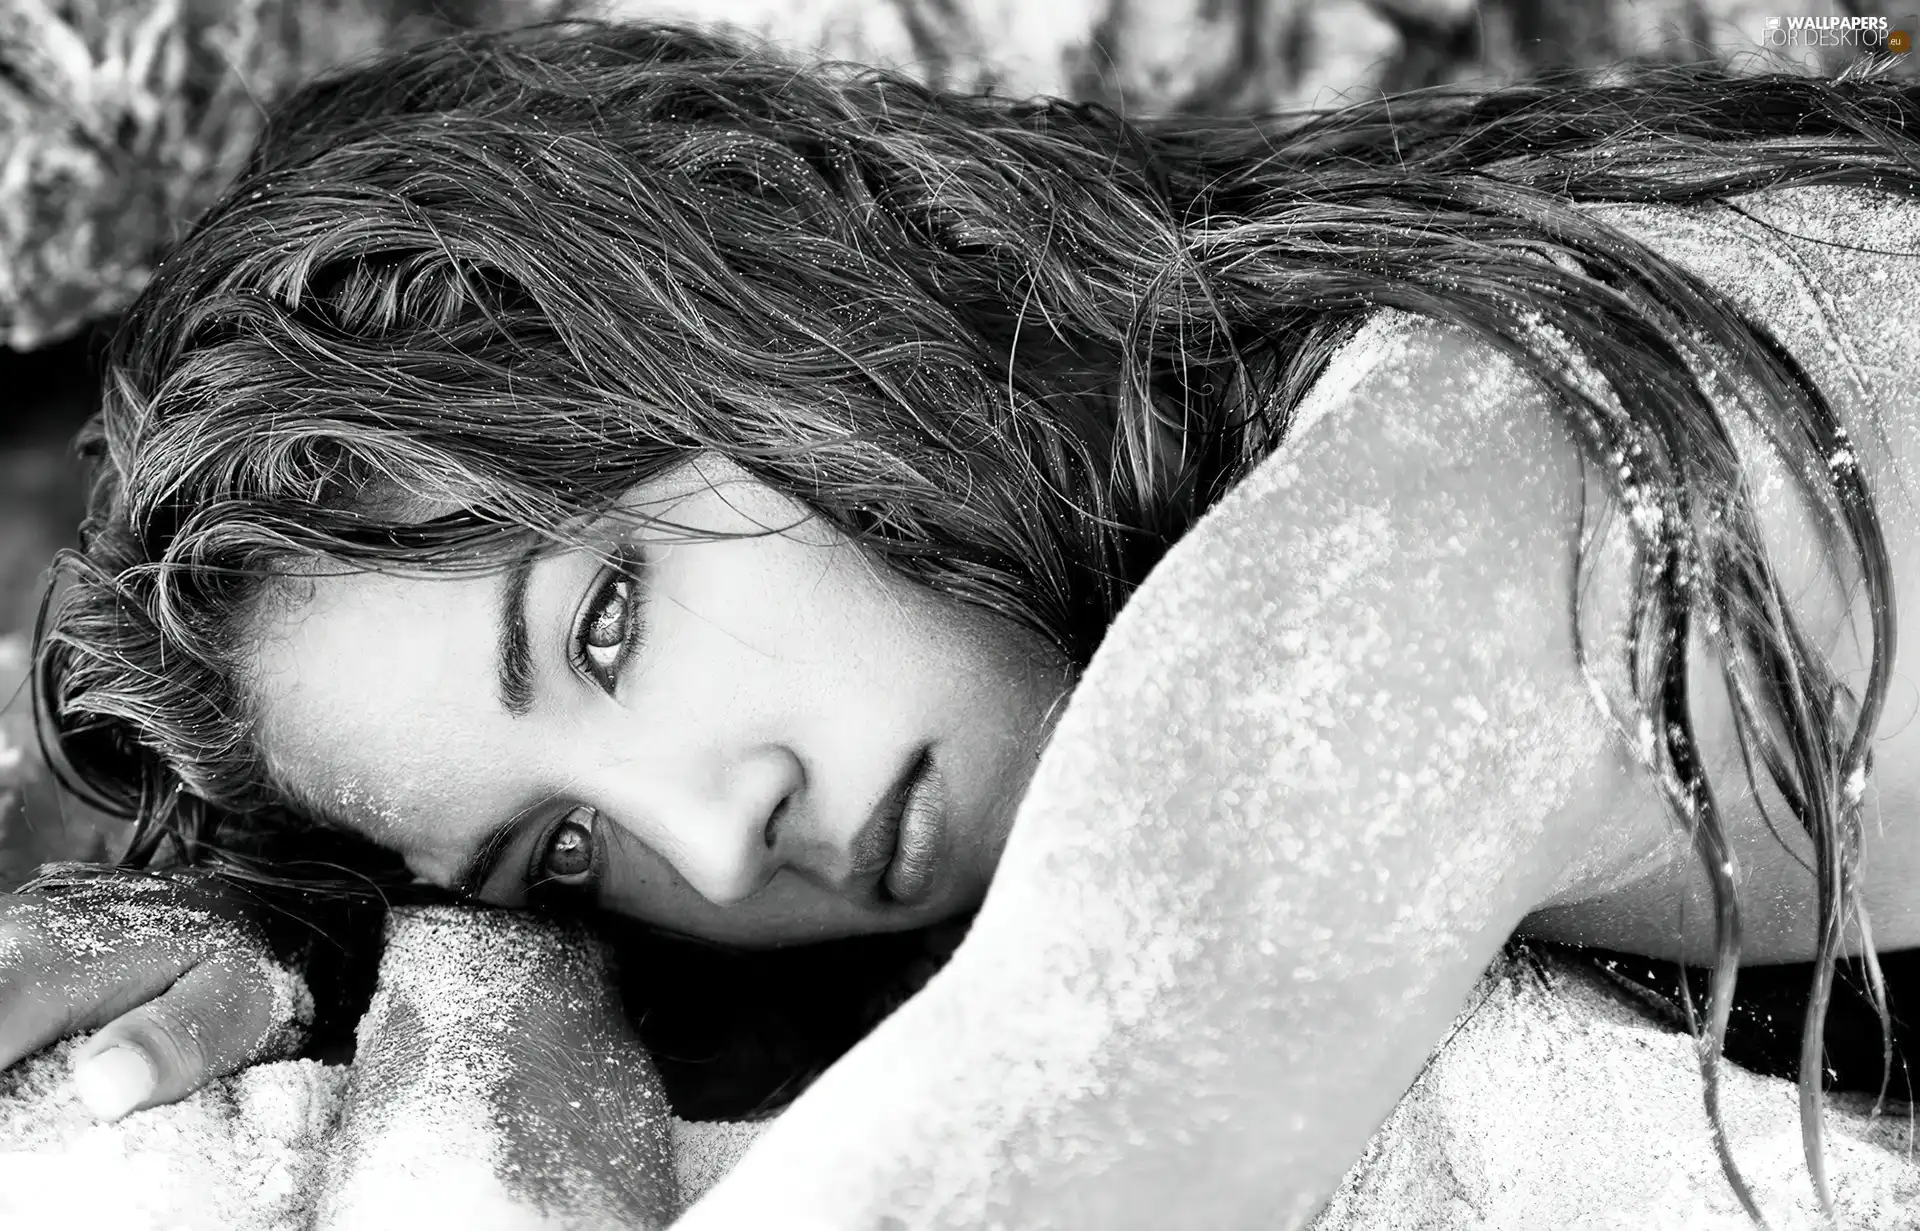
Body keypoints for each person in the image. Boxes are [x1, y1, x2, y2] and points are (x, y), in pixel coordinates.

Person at [4, 16, 1919, 1226]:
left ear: (764, 305)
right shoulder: (1301, 375)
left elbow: (1040, 1118)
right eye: (562, 847)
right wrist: (287, 918)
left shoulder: (1467, 504)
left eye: (603, 628)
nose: (709, 836)